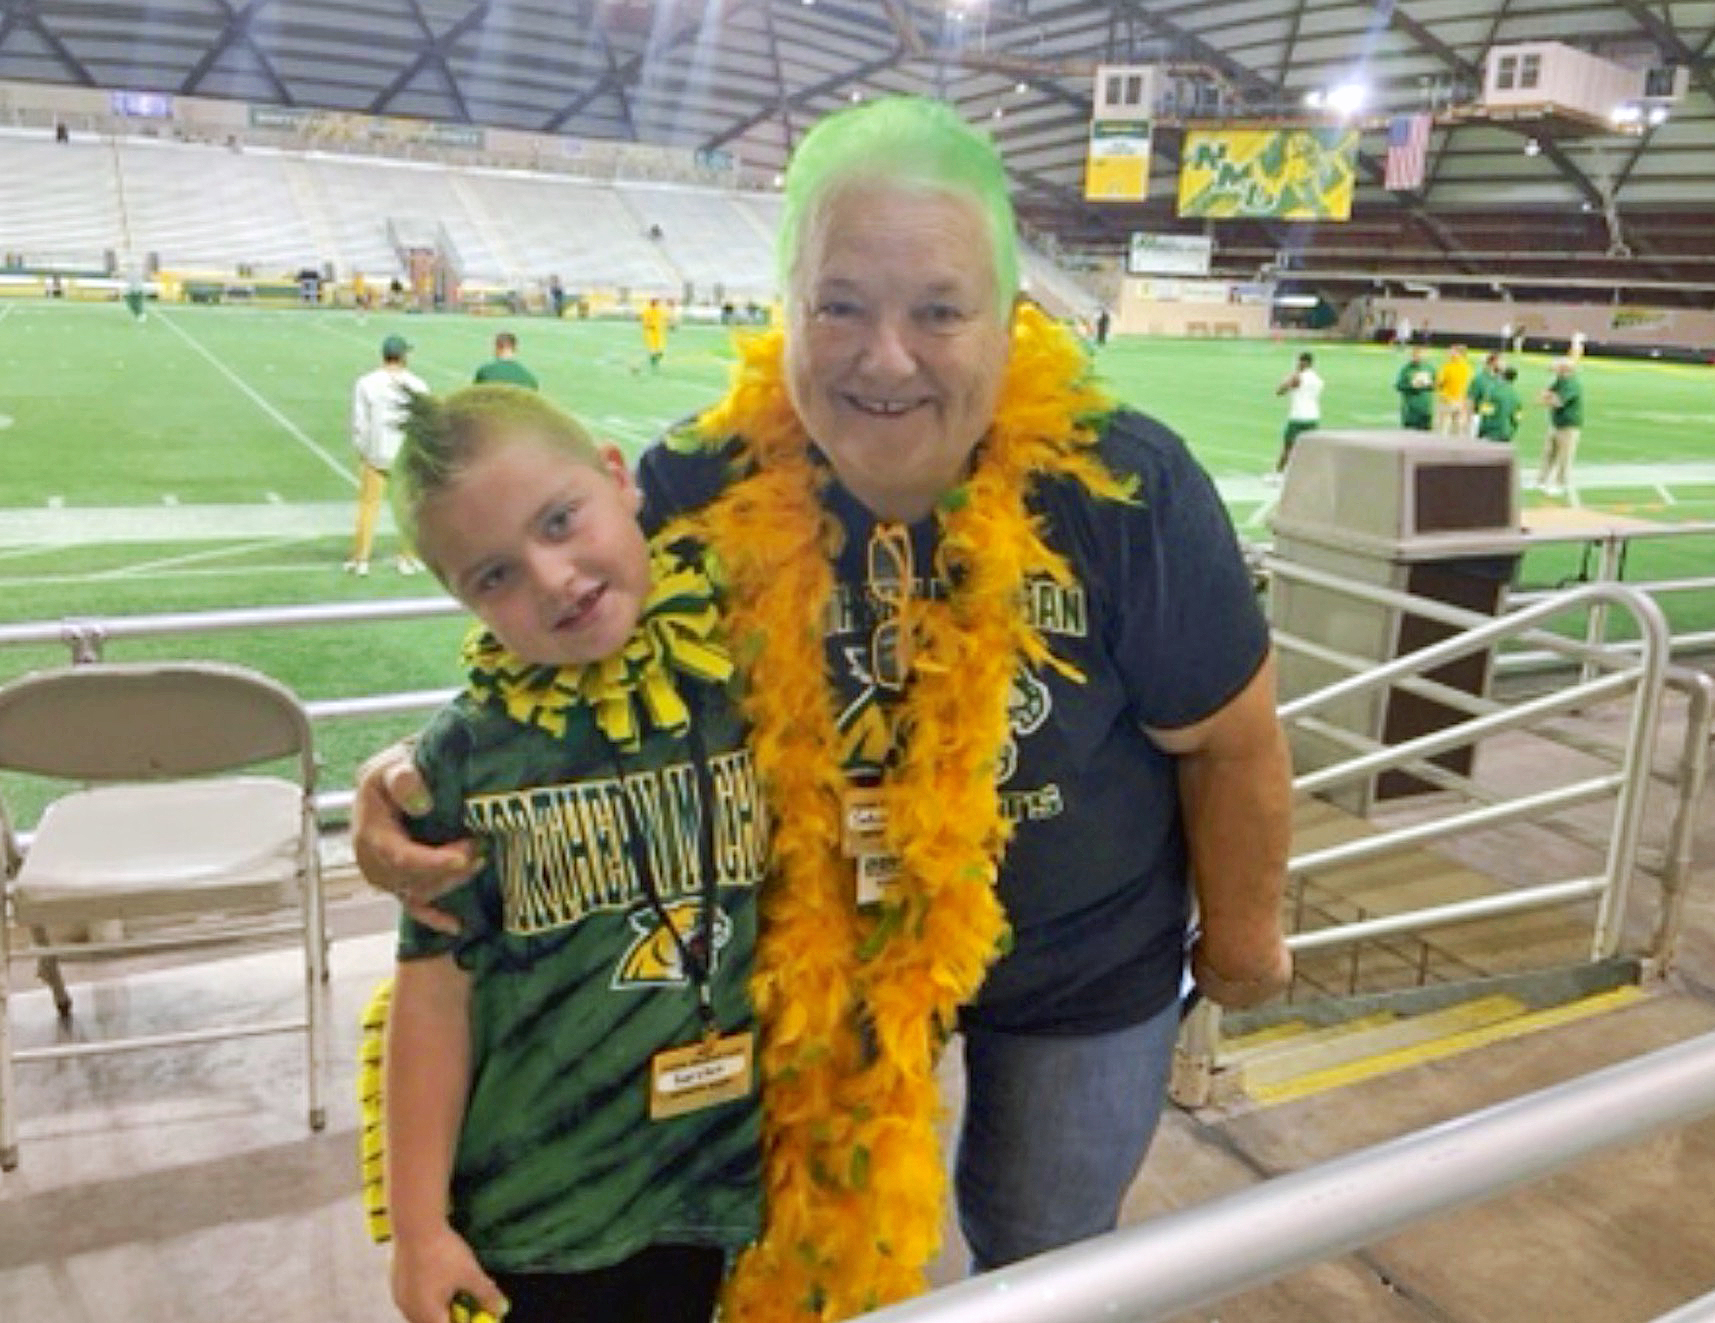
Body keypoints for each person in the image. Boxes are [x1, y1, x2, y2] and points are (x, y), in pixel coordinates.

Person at [351, 96, 1292, 1319]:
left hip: (1082, 964)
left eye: (936, 312)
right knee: (801, 1266)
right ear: (784, 309)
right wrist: (404, 787)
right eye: (839, 306)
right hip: (803, 970)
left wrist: (1239, 940)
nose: (882, 358)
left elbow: (1228, 741)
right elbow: (560, 658)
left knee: (1047, 1259)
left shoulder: (1122, 486)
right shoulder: (697, 483)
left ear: (1007, 323)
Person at [375, 385, 763, 1323]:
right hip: (536, 1217)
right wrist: (421, 1229)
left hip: (714, 1191)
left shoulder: (745, 680)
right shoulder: (467, 759)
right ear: (458, 599)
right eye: (494, 576)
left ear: (619, 478)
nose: (551, 578)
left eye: (560, 520)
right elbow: (433, 997)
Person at [347, 334, 429, 576]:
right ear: (403, 356)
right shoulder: (417, 384)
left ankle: (361, 559)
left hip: (376, 452)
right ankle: (407, 557)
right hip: (405, 455)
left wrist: (364, 451)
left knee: (368, 506)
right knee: (408, 508)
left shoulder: (366, 383)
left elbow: (359, 423)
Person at [1534, 357, 1584, 496]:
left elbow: (1558, 401)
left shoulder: (1572, 384)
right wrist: (1548, 396)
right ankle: (1541, 480)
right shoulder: (1559, 381)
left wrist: (1547, 398)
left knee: (1565, 456)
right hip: (1556, 423)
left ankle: (1560, 483)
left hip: (1569, 425)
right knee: (1548, 453)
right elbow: (1545, 393)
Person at [1271, 350, 1322, 481]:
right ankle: (1311, 475)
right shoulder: (1317, 379)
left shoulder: (1299, 377)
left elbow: (1280, 390)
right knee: (1310, 449)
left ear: (1303, 362)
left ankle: (1278, 475)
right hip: (1313, 417)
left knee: (1288, 447)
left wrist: (1294, 374)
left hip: (1298, 417)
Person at [472, 331, 539, 390]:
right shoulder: (530, 378)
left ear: (497, 347)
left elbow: (476, 396)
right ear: (515, 349)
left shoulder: (484, 372)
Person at [1433, 343, 1473, 435]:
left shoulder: (1447, 367)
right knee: (1458, 431)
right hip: (1461, 401)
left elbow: (1438, 384)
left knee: (1443, 429)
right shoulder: (1468, 368)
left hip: (1447, 401)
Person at [1476, 365, 1522, 444]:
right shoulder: (1516, 396)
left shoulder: (1492, 392)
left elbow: (1485, 414)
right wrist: (1511, 431)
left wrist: (1481, 432)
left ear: (1501, 376)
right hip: (1506, 433)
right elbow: (1517, 419)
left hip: (1491, 434)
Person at [1395, 345, 1434, 430]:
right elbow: (1399, 386)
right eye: (1414, 355)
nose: (1417, 358)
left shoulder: (1429, 368)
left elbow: (1436, 384)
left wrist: (1429, 385)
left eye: (1419, 355)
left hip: (1425, 409)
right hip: (1410, 410)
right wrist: (1412, 386)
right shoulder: (1406, 369)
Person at [1465, 352, 1503, 438]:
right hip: (1480, 416)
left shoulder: (1500, 379)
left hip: (1495, 418)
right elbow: (1471, 398)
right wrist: (1469, 416)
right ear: (1493, 362)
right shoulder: (1480, 378)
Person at [639, 298, 670, 373]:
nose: (655, 304)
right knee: (652, 347)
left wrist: (666, 325)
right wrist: (648, 325)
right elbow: (645, 321)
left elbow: (664, 319)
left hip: (658, 331)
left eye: (656, 303)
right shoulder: (647, 311)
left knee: (659, 348)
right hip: (650, 331)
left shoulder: (659, 311)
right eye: (654, 302)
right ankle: (653, 360)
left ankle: (656, 358)